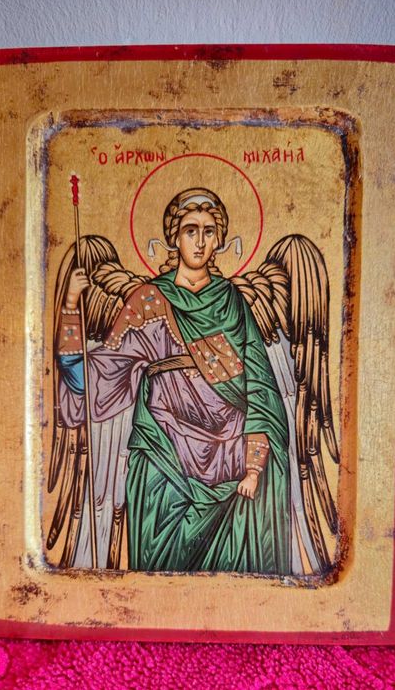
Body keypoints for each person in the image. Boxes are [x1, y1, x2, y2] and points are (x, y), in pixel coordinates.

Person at [55, 188, 292, 573]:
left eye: (209, 231)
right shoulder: (148, 299)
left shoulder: (232, 302)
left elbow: (260, 386)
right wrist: (70, 308)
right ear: (174, 238)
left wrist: (253, 463)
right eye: (190, 230)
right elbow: (95, 376)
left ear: (219, 239)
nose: (199, 241)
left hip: (230, 456)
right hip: (163, 451)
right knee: (157, 558)